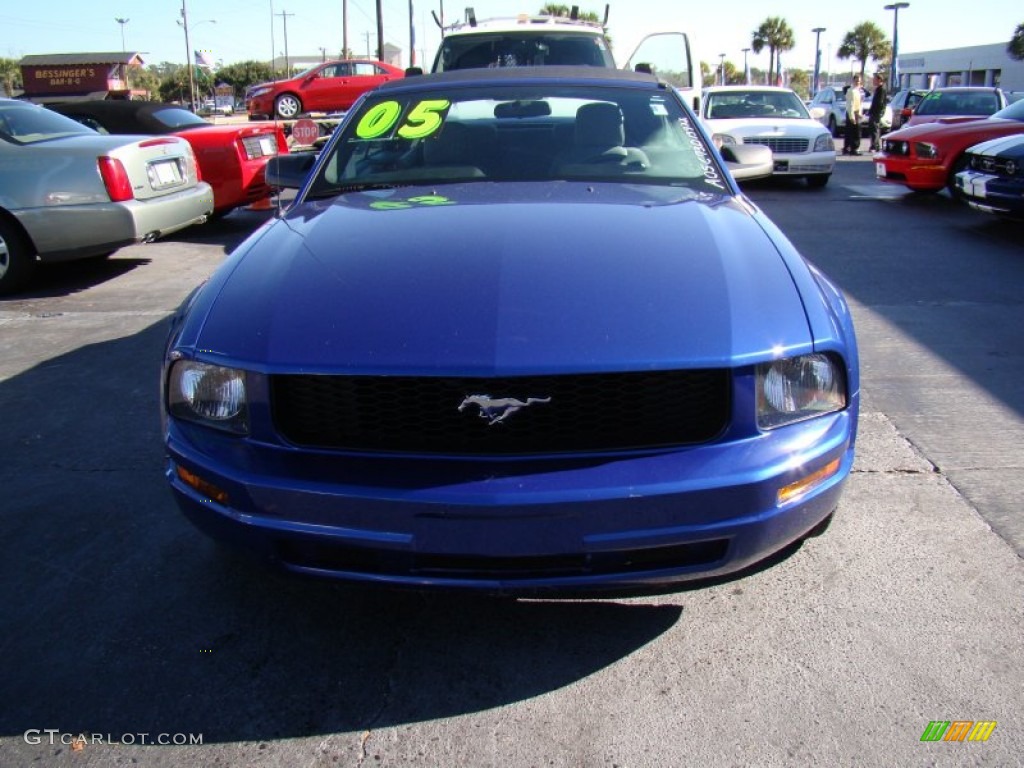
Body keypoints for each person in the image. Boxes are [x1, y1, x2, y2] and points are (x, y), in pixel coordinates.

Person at [868, 73, 888, 152]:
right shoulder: (878, 89)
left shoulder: (881, 89)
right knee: (874, 128)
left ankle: (875, 146)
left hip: (876, 112)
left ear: (879, 80)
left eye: (874, 79)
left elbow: (880, 102)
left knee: (874, 129)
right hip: (874, 112)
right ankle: (875, 145)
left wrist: (878, 111)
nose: (873, 81)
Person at [843, 75, 863, 155]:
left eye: (859, 81)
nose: (858, 82)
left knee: (852, 131)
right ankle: (853, 149)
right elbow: (850, 104)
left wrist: (860, 113)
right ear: (853, 81)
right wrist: (852, 116)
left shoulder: (858, 91)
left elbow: (859, 104)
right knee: (854, 132)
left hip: (857, 112)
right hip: (852, 113)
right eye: (856, 81)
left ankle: (848, 148)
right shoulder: (851, 91)